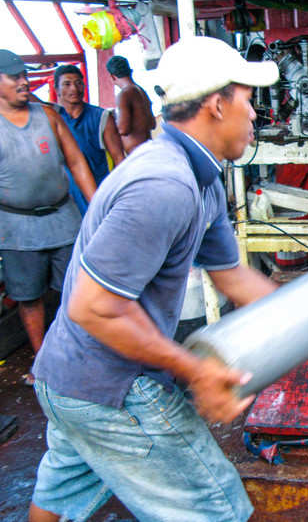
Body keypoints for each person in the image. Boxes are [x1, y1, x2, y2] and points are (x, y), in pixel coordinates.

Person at [28, 36, 280, 522]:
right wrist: (194, 368)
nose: (254, 115)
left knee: (58, 497)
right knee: (217, 509)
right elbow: (92, 307)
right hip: (111, 387)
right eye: (248, 101)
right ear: (217, 103)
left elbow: (232, 278)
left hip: (68, 379)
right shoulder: (163, 185)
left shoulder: (199, 176)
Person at [0, 49, 96, 385]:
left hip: (63, 219)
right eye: (14, 77)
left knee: (75, 291)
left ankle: (77, 356)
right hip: (15, 226)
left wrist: (95, 205)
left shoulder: (48, 116)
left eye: (24, 75)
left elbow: (76, 162)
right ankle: (43, 364)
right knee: (28, 296)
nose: (24, 82)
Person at [54, 64, 125, 214]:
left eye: (78, 83)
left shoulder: (101, 117)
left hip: (99, 193)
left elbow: (119, 157)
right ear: (57, 90)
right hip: (65, 199)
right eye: (67, 84)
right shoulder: (52, 119)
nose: (74, 88)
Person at [105, 55, 156, 154]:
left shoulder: (124, 94)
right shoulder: (141, 91)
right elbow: (152, 124)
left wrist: (110, 120)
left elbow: (123, 129)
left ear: (112, 76)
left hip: (137, 153)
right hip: (149, 148)